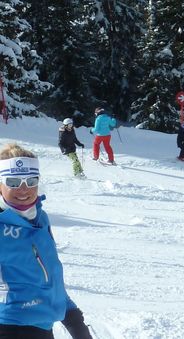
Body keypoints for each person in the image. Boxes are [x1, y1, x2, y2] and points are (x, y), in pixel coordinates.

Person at [0, 143, 93, 339]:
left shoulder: (40, 218)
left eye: (31, 180)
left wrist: (72, 316)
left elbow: (49, 273)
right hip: (10, 326)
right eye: (13, 182)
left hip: (42, 326)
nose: (24, 189)